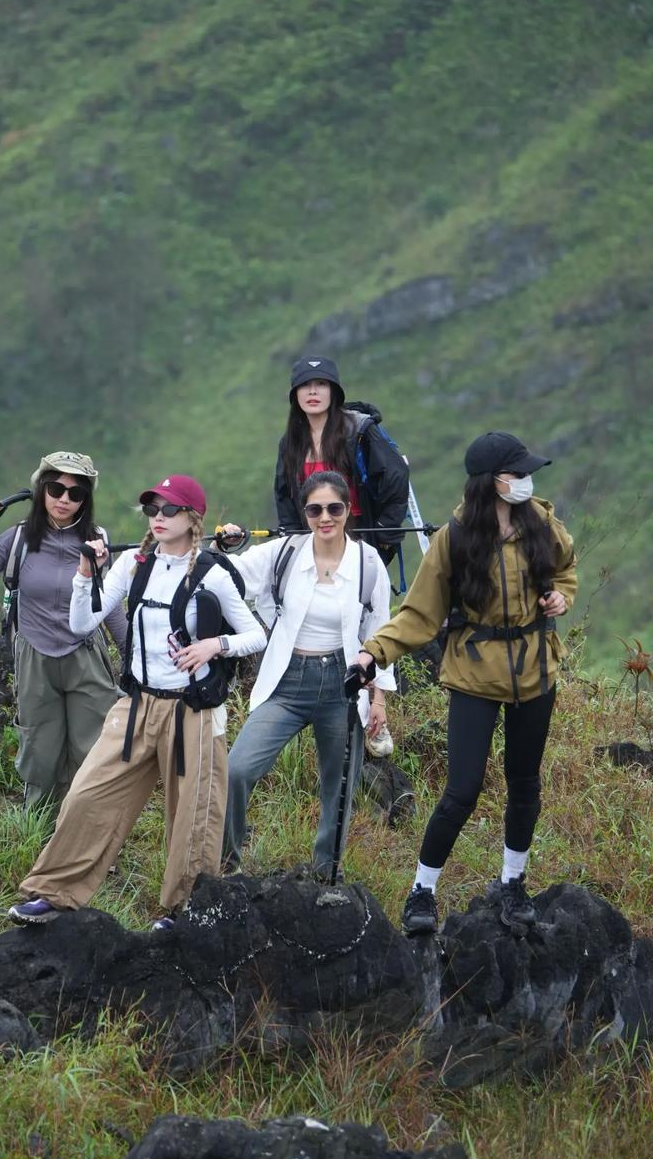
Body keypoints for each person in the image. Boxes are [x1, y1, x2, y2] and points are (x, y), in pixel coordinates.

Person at [7, 474, 267, 929]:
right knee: (88, 795)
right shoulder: (133, 563)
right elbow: (82, 624)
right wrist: (85, 575)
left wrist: (214, 646)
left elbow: (255, 635)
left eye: (169, 509)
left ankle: (186, 911)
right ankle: (54, 894)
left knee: (194, 816)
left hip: (193, 711)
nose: (158, 517)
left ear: (193, 518)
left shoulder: (212, 572)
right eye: (151, 509)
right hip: (137, 706)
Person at [350, 432, 578, 935]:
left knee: (525, 783)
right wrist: (372, 652)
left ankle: (512, 883)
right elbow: (419, 615)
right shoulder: (453, 540)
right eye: (517, 473)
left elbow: (566, 569)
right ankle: (422, 891)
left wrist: (561, 596)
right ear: (492, 482)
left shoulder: (541, 522)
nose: (526, 480)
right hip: (475, 675)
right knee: (462, 790)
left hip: (536, 671)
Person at [218, 470, 396, 878]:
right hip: (288, 680)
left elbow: (382, 633)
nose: (325, 517)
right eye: (315, 510)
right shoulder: (284, 551)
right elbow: (227, 575)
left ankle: (325, 874)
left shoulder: (369, 563)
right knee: (237, 769)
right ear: (305, 513)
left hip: (344, 685)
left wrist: (379, 699)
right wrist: (222, 544)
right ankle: (227, 866)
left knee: (339, 786)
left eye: (334, 508)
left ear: (348, 510)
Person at [0, 451, 127, 811]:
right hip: (35, 657)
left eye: (75, 493)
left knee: (93, 753)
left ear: (85, 500)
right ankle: (40, 833)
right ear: (41, 490)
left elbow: (107, 603)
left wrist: (132, 657)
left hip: (86, 657)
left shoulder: (97, 541)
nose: (64, 499)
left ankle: (87, 835)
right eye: (55, 489)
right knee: (40, 754)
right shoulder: (19, 538)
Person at [274, 355, 408, 757]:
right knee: (324, 625)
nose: (313, 392)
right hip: (314, 548)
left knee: (369, 626)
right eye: (305, 386)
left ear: (335, 392)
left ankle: (375, 713)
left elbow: (395, 478)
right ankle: (330, 710)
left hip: (359, 545)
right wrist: (294, 544)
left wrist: (383, 541)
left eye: (321, 384)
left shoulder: (359, 432)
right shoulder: (291, 442)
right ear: (295, 396)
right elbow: (285, 495)